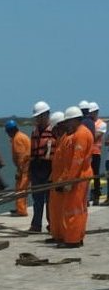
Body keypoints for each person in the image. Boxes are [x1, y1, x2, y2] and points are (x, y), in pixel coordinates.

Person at [55, 106, 94, 248]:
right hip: (81, 175)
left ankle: (72, 240)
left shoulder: (81, 135)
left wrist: (69, 181)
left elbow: (77, 161)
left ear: (75, 120)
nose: (66, 125)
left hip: (79, 177)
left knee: (73, 209)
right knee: (80, 208)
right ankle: (78, 236)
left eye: (68, 122)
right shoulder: (82, 133)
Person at [28, 101, 55, 233]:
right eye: (36, 117)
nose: (38, 119)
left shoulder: (54, 131)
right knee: (37, 199)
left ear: (46, 115)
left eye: (40, 116)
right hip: (36, 168)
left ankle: (52, 225)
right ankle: (36, 225)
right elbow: (31, 153)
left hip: (49, 167)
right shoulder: (34, 133)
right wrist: (29, 171)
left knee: (50, 200)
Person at [46, 111, 66, 243]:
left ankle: (65, 236)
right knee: (54, 210)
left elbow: (68, 164)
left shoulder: (67, 140)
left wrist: (63, 181)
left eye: (55, 130)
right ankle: (56, 234)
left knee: (63, 211)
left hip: (61, 182)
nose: (54, 133)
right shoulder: (60, 140)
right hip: (55, 180)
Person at [5, 119, 30, 217]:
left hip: (25, 168)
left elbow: (21, 156)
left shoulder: (17, 139)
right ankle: (20, 208)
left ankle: (21, 210)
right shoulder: (21, 136)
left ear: (10, 131)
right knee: (21, 188)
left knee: (21, 189)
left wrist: (19, 171)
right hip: (26, 166)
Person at [89, 102, 105, 206]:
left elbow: (95, 136)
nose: (92, 114)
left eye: (93, 112)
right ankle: (86, 197)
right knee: (86, 175)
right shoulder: (88, 123)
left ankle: (96, 197)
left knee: (96, 175)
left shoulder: (101, 124)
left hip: (96, 153)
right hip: (87, 153)